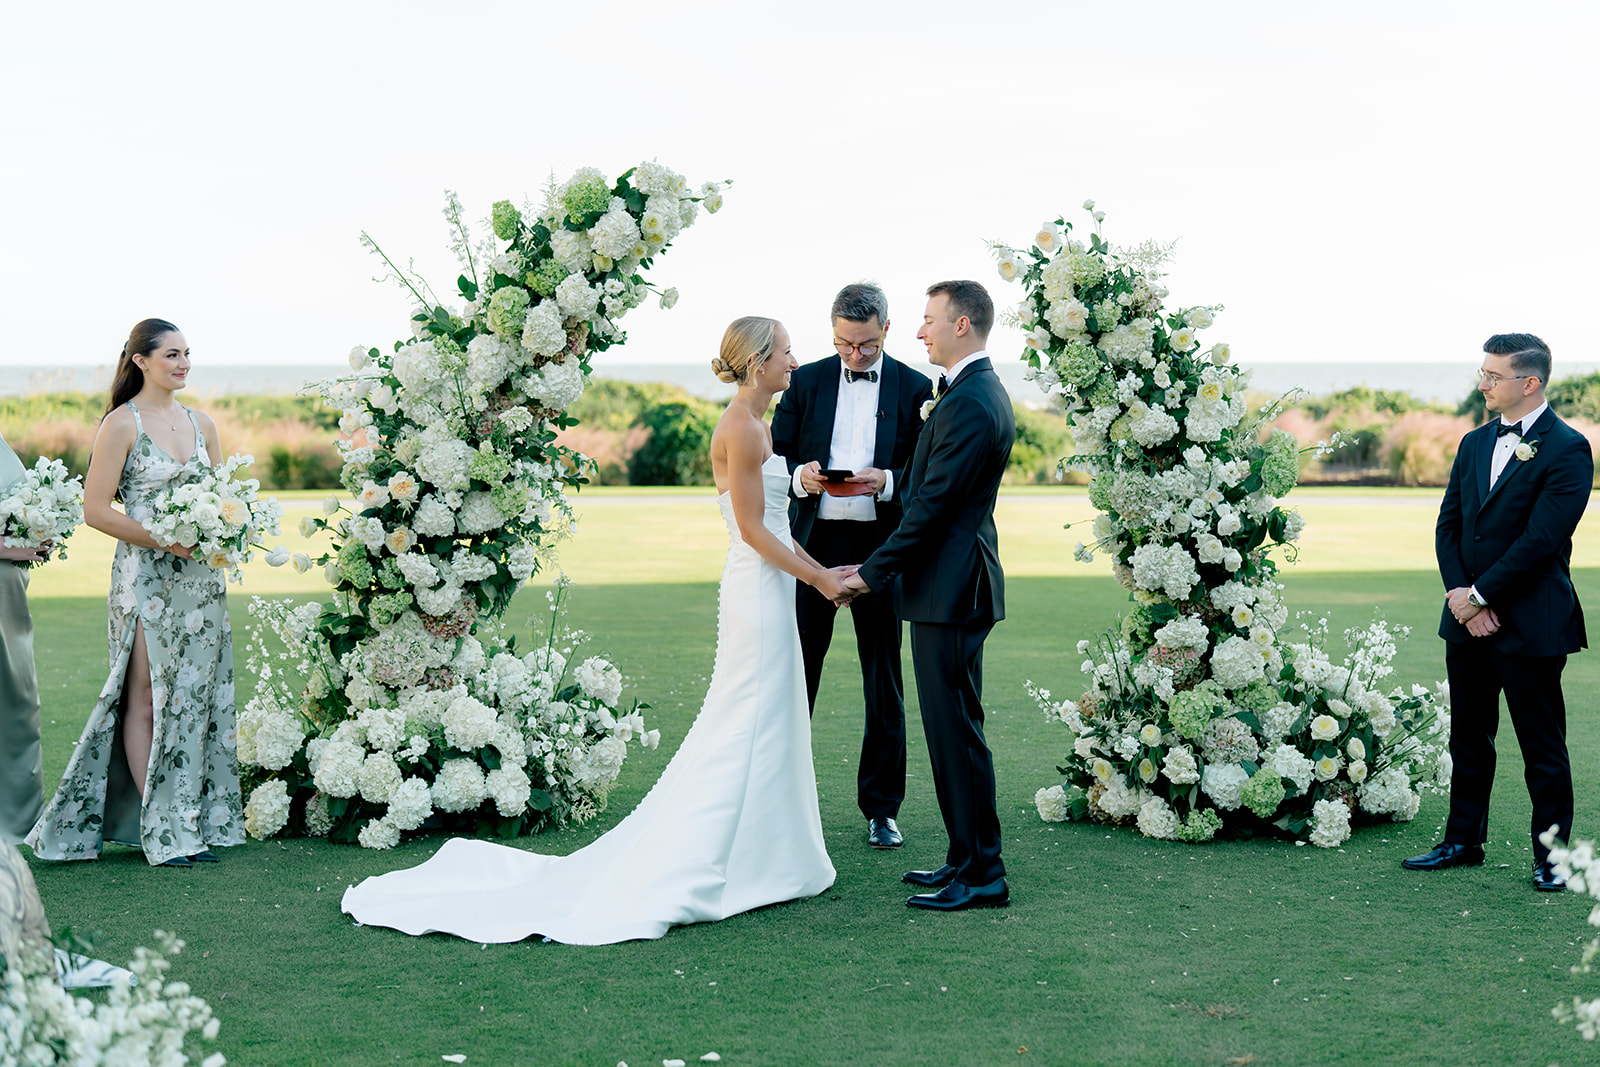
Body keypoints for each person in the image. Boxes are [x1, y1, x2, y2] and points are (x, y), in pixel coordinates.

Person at [341, 317, 842, 945]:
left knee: (770, 716)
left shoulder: (756, 423)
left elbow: (769, 506)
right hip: (757, 588)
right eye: (788, 352)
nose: (797, 361)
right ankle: (724, 858)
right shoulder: (740, 426)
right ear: (759, 361)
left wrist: (815, 544)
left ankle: (771, 855)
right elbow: (753, 530)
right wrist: (821, 581)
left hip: (770, 584)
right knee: (746, 715)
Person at [27, 319, 244, 868]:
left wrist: (223, 532)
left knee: (198, 700)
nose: (184, 364)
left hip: (200, 580)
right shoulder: (121, 425)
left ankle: (192, 818)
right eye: (172, 354)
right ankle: (162, 826)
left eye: (188, 354)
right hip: (144, 578)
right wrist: (164, 539)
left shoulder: (205, 425)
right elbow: (95, 510)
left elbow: (221, 501)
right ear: (141, 361)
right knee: (145, 695)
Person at [838, 280, 1015, 912]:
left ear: (961, 325)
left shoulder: (970, 401)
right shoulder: (962, 393)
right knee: (950, 731)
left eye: (929, 320)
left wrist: (868, 574)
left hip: (951, 588)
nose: (919, 332)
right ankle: (964, 858)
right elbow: (920, 494)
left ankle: (984, 874)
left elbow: (931, 510)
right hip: (946, 585)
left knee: (955, 733)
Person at [1404, 333, 1593, 891]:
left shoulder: (1568, 448)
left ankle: (1555, 859)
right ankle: (1463, 841)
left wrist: (1482, 597)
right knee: (1468, 737)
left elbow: (1541, 541)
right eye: (1482, 372)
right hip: (1466, 621)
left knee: (1542, 747)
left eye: (1493, 375)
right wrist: (1463, 599)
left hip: (1530, 620)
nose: (1482, 383)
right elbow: (1450, 527)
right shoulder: (1472, 442)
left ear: (1528, 383)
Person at [771, 282, 933, 852]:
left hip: (881, 548)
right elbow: (774, 456)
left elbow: (923, 474)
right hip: (810, 546)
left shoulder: (918, 388)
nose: (854, 356)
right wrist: (800, 477)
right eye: (844, 344)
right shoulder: (806, 380)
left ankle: (882, 810)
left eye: (865, 345)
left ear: (886, 330)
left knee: (883, 681)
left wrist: (885, 482)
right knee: (798, 676)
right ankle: (781, 800)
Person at [0, 431, 51, 844]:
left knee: (17, 701)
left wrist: (39, 536)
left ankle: (21, 817)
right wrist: (7, 546)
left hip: (10, 593)